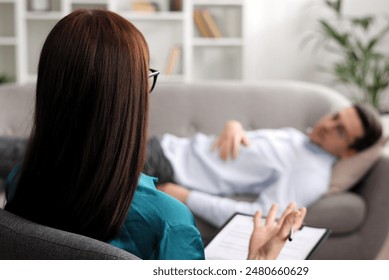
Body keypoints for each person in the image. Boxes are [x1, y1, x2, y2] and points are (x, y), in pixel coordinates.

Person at [3, 9, 306, 260]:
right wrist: (258, 265)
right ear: (129, 97)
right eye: (146, 75)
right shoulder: (168, 221)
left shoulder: (19, 182)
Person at [146, 104, 382, 228]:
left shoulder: (311, 175)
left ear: (350, 151)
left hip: (164, 167)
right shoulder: (299, 139)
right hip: (165, 145)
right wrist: (234, 126)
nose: (328, 125)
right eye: (335, 117)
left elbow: (258, 219)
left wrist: (187, 197)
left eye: (340, 131)